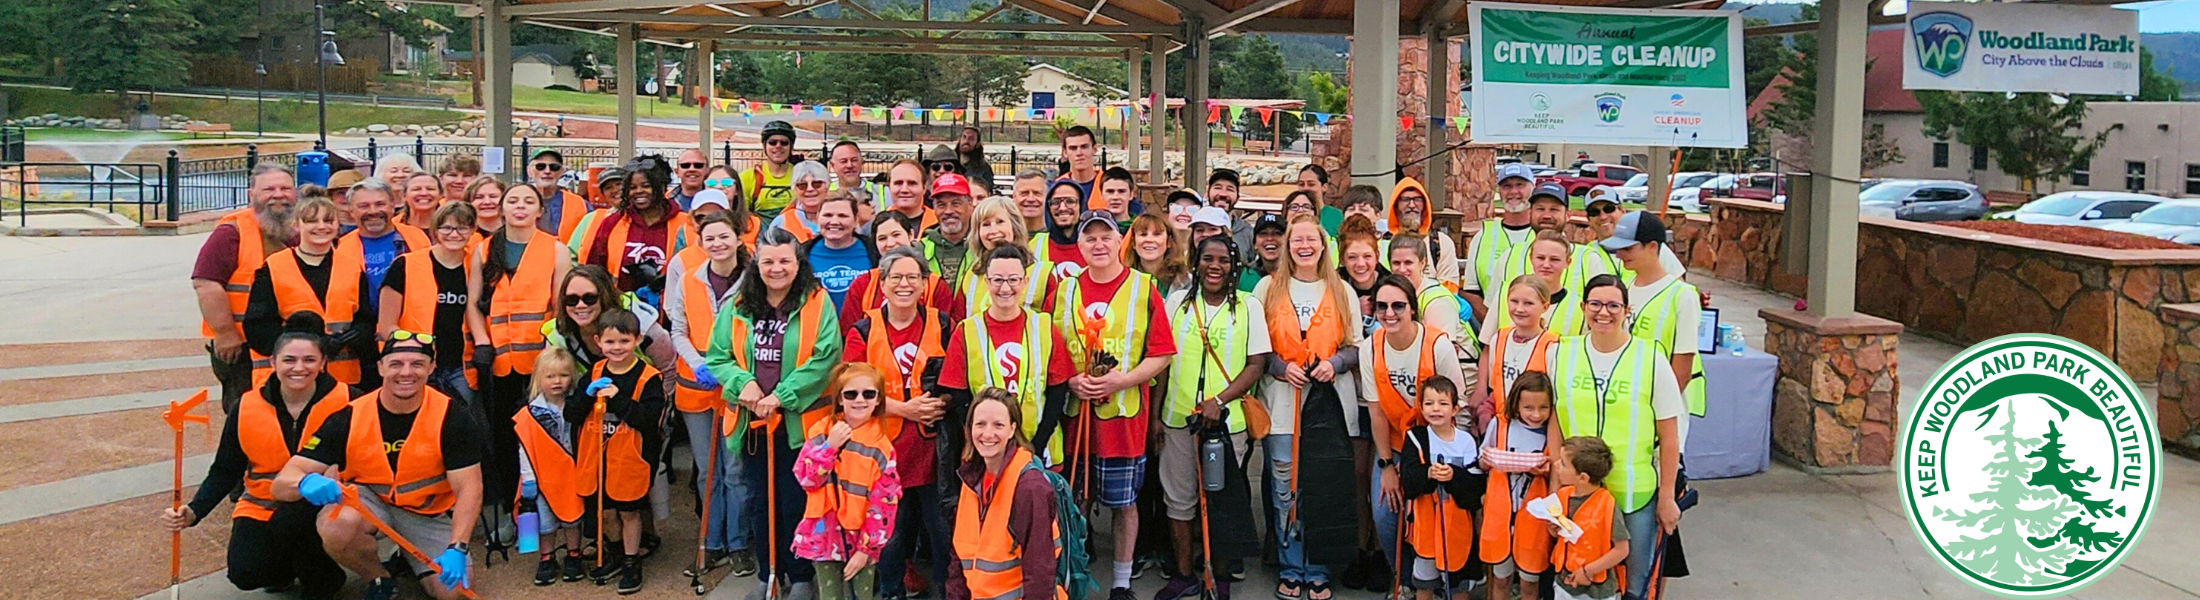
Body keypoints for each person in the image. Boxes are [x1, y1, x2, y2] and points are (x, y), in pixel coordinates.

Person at [273, 335, 486, 600]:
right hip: (369, 504)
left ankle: (408, 559)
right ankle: (378, 577)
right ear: (381, 367)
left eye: (417, 364)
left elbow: (470, 489)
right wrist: (304, 483)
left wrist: (458, 546)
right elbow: (282, 482)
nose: (406, 372)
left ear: (431, 368)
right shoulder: (349, 416)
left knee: (452, 593)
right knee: (336, 526)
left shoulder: (452, 416)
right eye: (396, 363)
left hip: (426, 511)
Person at [163, 315, 349, 600]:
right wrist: (194, 510)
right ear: (273, 363)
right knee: (246, 572)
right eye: (289, 360)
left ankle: (324, 580)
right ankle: (285, 571)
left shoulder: (350, 401)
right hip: (262, 503)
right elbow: (226, 469)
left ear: (323, 363)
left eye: (309, 360)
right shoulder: (246, 406)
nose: (299, 368)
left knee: (292, 524)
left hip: (324, 504)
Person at [704, 227, 846, 599]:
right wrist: (743, 385)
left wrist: (782, 395)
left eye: (785, 260)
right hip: (753, 422)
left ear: (798, 264)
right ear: (756, 263)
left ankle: (800, 575)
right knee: (758, 500)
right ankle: (769, 573)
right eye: (768, 261)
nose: (777, 268)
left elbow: (826, 356)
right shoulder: (739, 304)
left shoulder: (817, 301)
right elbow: (718, 355)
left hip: (800, 423)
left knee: (796, 499)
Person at [1055, 209, 1178, 600]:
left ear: (1117, 242)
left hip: (1123, 420)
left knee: (1124, 504)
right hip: (1075, 419)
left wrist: (1122, 379)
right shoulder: (1065, 289)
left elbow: (1162, 353)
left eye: (1105, 236)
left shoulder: (1143, 288)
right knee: (1076, 501)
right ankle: (1073, 572)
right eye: (1089, 238)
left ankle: (1121, 581)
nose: (1098, 244)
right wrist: (1070, 381)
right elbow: (1050, 347)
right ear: (1080, 245)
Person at [1544, 275, 1683, 598]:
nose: (1603, 312)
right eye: (1595, 303)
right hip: (1576, 492)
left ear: (1626, 310)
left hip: (1633, 492)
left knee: (1635, 584)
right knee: (1577, 578)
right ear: (1583, 307)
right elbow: (1555, 420)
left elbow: (1669, 435)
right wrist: (1556, 483)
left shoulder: (1651, 357)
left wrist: (1666, 497)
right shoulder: (1561, 352)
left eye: (1613, 305)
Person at [1155, 234, 1269, 600]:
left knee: (1222, 501)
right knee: (1180, 498)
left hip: (1226, 424)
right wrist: (1157, 415)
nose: (1214, 266)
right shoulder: (1178, 303)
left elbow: (1256, 364)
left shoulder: (1248, 306)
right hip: (1178, 420)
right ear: (1196, 262)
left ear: (1234, 265)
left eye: (1222, 259)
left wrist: (1219, 399)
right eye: (1207, 258)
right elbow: (1162, 362)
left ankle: (1219, 578)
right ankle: (1184, 572)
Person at [1255, 213, 1361, 600]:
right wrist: (1282, 368)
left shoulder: (1341, 290)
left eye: (1310, 239)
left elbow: (1355, 347)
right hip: (1282, 407)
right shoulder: (1268, 287)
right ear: (1287, 245)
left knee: (1321, 487)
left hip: (1327, 409)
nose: (1303, 246)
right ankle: (1291, 565)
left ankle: (1317, 566)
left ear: (1322, 245)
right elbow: (1256, 350)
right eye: (1296, 239)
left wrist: (1334, 365)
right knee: (1285, 490)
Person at [844, 245, 957, 600]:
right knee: (889, 541)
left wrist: (942, 401)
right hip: (884, 456)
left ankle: (945, 592)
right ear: (882, 284)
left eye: (913, 277)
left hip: (935, 455)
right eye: (896, 277)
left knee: (943, 537)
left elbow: (960, 379)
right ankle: (891, 593)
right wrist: (905, 409)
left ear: (925, 283)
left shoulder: (943, 324)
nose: (905, 284)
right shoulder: (862, 331)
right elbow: (851, 391)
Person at [466, 182, 575, 518]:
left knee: (545, 434)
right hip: (498, 360)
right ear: (501, 208)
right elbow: (473, 304)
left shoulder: (555, 250)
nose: (520, 207)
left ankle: (552, 506)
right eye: (512, 201)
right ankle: (509, 507)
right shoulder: (483, 251)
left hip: (540, 362)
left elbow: (561, 306)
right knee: (503, 436)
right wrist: (483, 343)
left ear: (539, 211)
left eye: (529, 201)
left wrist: (551, 351)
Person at [665, 210, 763, 578]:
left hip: (737, 387)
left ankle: (739, 543)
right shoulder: (689, 279)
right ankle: (711, 541)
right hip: (697, 386)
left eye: (725, 236)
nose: (718, 244)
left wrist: (733, 371)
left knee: (736, 470)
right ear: (700, 243)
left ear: (739, 238)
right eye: (710, 239)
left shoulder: (755, 280)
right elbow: (677, 329)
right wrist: (697, 363)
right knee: (708, 470)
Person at [1361, 274, 1469, 595]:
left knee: (1438, 515)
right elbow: (1377, 410)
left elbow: (1456, 404)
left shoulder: (1437, 345)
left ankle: (1445, 579)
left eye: (1398, 305)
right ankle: (1407, 581)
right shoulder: (1371, 347)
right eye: (1382, 306)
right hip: (1394, 445)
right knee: (1385, 514)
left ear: (1412, 309)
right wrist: (1386, 466)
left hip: (1435, 447)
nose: (1389, 313)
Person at [940, 244, 1077, 466]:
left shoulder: (1044, 326)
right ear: (986, 283)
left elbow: (1057, 391)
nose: (1005, 288)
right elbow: (959, 396)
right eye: (997, 280)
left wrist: (1037, 444)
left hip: (1041, 452)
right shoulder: (966, 331)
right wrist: (985, 442)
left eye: (1013, 280)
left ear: (1024, 282)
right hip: (987, 454)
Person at [571, 309, 668, 592]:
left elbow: (648, 420)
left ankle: (631, 560)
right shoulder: (594, 372)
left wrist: (618, 400)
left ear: (636, 340)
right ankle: (614, 552)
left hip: (631, 458)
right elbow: (571, 413)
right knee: (606, 512)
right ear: (599, 341)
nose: (617, 349)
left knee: (629, 513)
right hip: (597, 458)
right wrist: (586, 396)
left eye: (624, 342)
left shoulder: (649, 377)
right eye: (610, 343)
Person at [795, 363, 905, 600]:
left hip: (862, 536)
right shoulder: (821, 431)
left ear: (878, 400)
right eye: (850, 394)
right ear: (840, 398)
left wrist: (867, 549)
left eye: (868, 394)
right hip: (823, 533)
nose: (859, 400)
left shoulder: (881, 446)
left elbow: (885, 504)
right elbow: (806, 479)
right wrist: (829, 448)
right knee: (829, 596)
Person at [196, 163, 298, 411]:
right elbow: (206, 284)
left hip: (291, 345)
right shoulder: (231, 232)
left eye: (285, 188)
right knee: (244, 413)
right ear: (251, 194)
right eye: (269, 189)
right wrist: (225, 333)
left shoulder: (301, 228)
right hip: (240, 349)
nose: (278, 194)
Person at [241, 197, 375, 387]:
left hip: (343, 379)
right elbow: (258, 328)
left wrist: (354, 336)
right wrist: (308, 345)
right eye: (311, 221)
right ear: (297, 225)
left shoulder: (353, 267)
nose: (321, 227)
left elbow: (366, 319)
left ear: (337, 225)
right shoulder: (273, 267)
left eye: (328, 220)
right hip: (289, 379)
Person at [943, 389, 1062, 600]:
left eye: (998, 425)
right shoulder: (971, 478)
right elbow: (958, 559)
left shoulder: (1030, 487)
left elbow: (1039, 571)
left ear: (1012, 429)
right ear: (969, 429)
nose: (988, 434)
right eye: (980, 424)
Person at [1604, 211, 1703, 421]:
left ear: (1652, 247)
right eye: (1618, 248)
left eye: (1628, 248)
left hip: (1661, 413)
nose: (1620, 254)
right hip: (1623, 404)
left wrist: (1654, 412)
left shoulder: (1683, 296)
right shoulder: (1625, 286)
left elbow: (1683, 367)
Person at [379, 202, 480, 403]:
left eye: (462, 228)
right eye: (446, 227)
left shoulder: (478, 267)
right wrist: (411, 354)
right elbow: (385, 325)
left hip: (463, 367)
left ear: (472, 230)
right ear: (435, 229)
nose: (454, 234)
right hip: (416, 364)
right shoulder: (405, 265)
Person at [1398, 377, 1488, 600]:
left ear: (1455, 409)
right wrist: (1427, 473)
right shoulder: (1415, 437)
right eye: (1428, 403)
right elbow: (1408, 481)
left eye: (1443, 403)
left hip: (1458, 527)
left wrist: (1453, 475)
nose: (1435, 409)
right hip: (1425, 526)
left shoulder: (1466, 441)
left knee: (1459, 584)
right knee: (1424, 582)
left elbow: (1475, 489)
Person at [511, 347, 591, 586]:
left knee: (572, 517)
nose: (557, 381)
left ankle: (573, 554)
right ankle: (547, 557)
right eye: (550, 376)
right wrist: (527, 479)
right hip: (542, 476)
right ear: (538, 378)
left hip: (571, 474)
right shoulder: (528, 413)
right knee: (544, 522)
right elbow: (524, 447)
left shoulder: (577, 405)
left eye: (563, 375)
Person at [1480, 373, 1555, 600]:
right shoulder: (1501, 425)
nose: (1536, 414)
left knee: (1529, 583)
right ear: (1517, 404)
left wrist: (1545, 470)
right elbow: (1482, 461)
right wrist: (1495, 459)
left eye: (1543, 407)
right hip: (1500, 514)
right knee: (1501, 579)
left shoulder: (1551, 432)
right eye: (1529, 407)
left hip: (1533, 520)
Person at [581, 167, 698, 301]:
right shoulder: (613, 222)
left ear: (660, 187)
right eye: (632, 187)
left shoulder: (684, 222)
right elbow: (595, 268)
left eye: (646, 186)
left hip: (670, 310)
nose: (638, 191)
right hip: (620, 309)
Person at [840, 211, 964, 325]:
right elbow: (850, 332)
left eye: (896, 235)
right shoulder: (863, 284)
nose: (890, 243)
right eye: (882, 238)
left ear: (911, 235)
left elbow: (946, 331)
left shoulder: (935, 285)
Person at [1546, 437, 1630, 600]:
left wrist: (1588, 571)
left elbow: (1622, 549)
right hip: (1563, 583)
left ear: (1583, 478)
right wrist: (1553, 530)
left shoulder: (1607, 505)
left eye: (1563, 463)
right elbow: (1563, 536)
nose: (1556, 465)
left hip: (1597, 592)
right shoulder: (1563, 496)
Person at [1464, 164, 1539, 325]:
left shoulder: (1544, 235)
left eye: (1520, 185)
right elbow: (1471, 291)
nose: (1513, 192)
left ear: (1533, 188)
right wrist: (1495, 325)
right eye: (1507, 186)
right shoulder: (1483, 236)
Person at [1478, 275, 1561, 415]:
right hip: (1503, 428)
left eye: (1528, 303)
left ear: (1545, 306)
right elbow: (1496, 389)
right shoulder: (1498, 339)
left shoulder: (1553, 346)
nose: (1519, 309)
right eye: (1514, 301)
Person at [960, 196, 1057, 316]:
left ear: (1015, 226)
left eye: (1000, 222)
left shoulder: (1042, 275)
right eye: (986, 224)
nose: (993, 230)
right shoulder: (970, 276)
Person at [341, 177, 430, 298]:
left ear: (393, 205)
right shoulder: (341, 248)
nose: (373, 211)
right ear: (351, 211)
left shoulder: (417, 237)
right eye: (364, 206)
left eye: (380, 204)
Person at [1484, 232, 1582, 341]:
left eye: (1554, 259)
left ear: (1568, 262)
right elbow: (1488, 347)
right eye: (1540, 258)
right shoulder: (1504, 294)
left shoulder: (1579, 306)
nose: (1546, 265)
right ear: (1531, 258)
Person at [1389, 235, 1470, 359]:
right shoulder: (1395, 294)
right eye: (1396, 263)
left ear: (1423, 263)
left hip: (1460, 372)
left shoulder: (1437, 301)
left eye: (1408, 263)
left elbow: (1442, 354)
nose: (1402, 269)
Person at [1579, 197, 1684, 282]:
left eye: (1609, 209)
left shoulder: (1652, 247)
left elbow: (1678, 286)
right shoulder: (1585, 254)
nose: (1602, 216)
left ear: (1623, 211)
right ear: (1588, 220)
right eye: (1594, 212)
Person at [806, 191, 879, 307]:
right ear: (817, 217)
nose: (834, 222)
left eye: (842, 216)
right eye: (828, 215)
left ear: (856, 219)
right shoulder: (801, 254)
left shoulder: (875, 251)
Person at [1388, 178, 1460, 286]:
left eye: (1417, 199)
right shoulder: (1384, 243)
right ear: (1396, 205)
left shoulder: (1441, 243)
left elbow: (1450, 288)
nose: (1412, 205)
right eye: (1405, 199)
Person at [1337, 215, 1390, 338]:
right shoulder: (1333, 284)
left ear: (1377, 257)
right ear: (1342, 260)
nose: (1360, 264)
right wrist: (1354, 310)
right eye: (1352, 257)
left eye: (1367, 256)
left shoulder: (1391, 285)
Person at [923, 172, 978, 280]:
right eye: (941, 205)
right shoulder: (920, 249)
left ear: (970, 204)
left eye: (955, 203)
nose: (948, 211)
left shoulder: (984, 246)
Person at [1033, 180, 1089, 280]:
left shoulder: (1096, 244)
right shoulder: (1034, 245)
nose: (1062, 208)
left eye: (1070, 201)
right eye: (1055, 202)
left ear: (1081, 205)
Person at [744, 122, 801, 218]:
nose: (778, 146)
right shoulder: (749, 176)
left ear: (791, 147)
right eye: (772, 142)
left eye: (784, 143)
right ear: (764, 146)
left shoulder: (801, 175)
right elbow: (742, 215)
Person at [1125, 213, 1190, 295]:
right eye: (1143, 234)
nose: (1149, 239)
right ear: (1134, 243)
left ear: (1169, 242)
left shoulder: (1185, 282)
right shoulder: (1122, 280)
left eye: (1157, 234)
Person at [563, 167, 630, 246]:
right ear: (604, 194)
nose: (615, 190)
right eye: (608, 188)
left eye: (619, 184)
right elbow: (572, 252)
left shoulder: (643, 217)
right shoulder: (591, 219)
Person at [771, 161, 834, 243]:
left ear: (827, 186)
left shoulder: (841, 216)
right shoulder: (782, 222)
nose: (810, 189)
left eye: (817, 184)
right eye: (802, 185)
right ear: (794, 189)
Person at [527, 150, 583, 238]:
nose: (547, 171)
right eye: (540, 166)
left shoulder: (579, 204)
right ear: (529, 171)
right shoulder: (517, 202)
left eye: (554, 167)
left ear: (561, 172)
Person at [828, 141, 888, 211]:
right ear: (832, 165)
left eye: (854, 160)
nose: (849, 165)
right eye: (843, 161)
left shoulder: (883, 193)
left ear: (861, 162)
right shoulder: (824, 193)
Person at [1205, 169, 1254, 255]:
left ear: (1238, 197)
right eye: (1217, 187)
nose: (1223, 194)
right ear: (1207, 193)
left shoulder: (1248, 232)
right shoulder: (1194, 228)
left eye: (1230, 189)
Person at [1055, 125, 1101, 196]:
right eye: (1073, 148)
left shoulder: (1110, 185)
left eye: (1084, 147)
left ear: (1094, 149)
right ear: (1065, 153)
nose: (1079, 153)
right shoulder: (1056, 187)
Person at [957, 127, 997, 195]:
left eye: (971, 139)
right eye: (964, 137)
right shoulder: (950, 164)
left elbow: (987, 190)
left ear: (977, 144)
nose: (966, 141)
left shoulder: (983, 169)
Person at [1012, 169, 1050, 234]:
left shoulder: (1058, 236)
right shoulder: (1005, 235)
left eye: (1037, 193)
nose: (1030, 199)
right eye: (1024, 193)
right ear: (1014, 196)